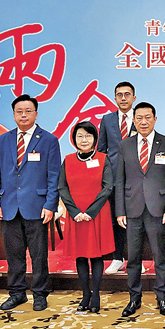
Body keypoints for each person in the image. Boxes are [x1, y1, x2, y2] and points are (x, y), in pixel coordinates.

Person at [0, 94, 61, 312]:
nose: (23, 115)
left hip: (37, 207)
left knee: (39, 255)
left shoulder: (48, 140)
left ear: (36, 114)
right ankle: (17, 293)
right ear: (13, 115)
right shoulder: (3, 140)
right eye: (19, 111)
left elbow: (54, 176)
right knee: (14, 255)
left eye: (28, 111)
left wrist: (50, 205)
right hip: (9, 206)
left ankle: (40, 294)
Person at [116, 102, 165, 317]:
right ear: (133, 120)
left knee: (160, 256)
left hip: (157, 210)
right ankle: (134, 298)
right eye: (139, 118)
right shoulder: (124, 145)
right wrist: (120, 211)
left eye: (148, 117)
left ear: (155, 119)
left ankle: (162, 298)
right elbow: (119, 180)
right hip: (132, 209)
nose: (143, 122)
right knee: (133, 258)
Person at [59, 121, 115, 313]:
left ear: (95, 139)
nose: (84, 140)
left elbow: (108, 187)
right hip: (76, 215)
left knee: (96, 255)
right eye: (80, 136)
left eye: (88, 136)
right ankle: (85, 294)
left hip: (97, 214)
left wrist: (90, 212)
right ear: (74, 139)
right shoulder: (68, 160)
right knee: (81, 256)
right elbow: (62, 187)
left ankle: (96, 294)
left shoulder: (103, 158)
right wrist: (75, 212)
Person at [97, 81, 137, 274]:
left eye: (127, 94)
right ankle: (117, 258)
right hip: (113, 179)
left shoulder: (141, 117)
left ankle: (136, 260)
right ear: (114, 98)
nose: (123, 98)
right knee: (116, 220)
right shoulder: (107, 120)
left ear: (134, 98)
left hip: (137, 178)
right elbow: (101, 150)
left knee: (136, 220)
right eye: (119, 95)